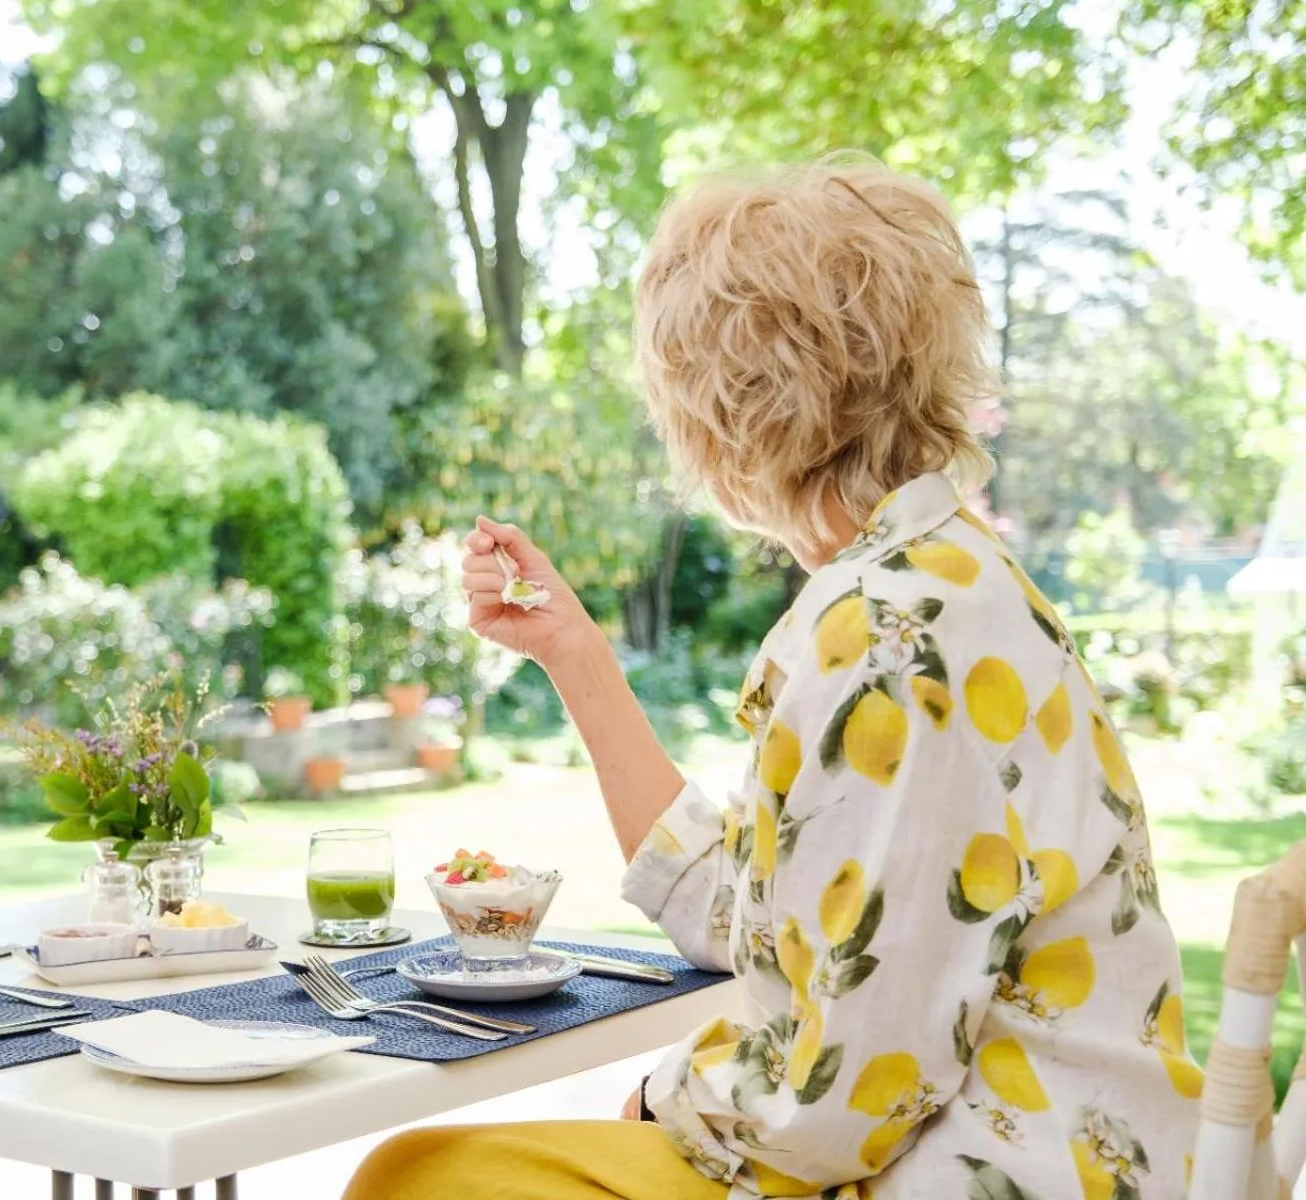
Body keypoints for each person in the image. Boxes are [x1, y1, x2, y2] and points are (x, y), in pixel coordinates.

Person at [342, 157, 1201, 1199]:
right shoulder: (947, 581)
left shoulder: (885, 635)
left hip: (990, 1171)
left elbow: (837, 1102)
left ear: (714, 413)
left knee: (426, 1180)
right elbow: (756, 921)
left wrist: (666, 1098)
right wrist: (574, 655)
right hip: (1045, 1152)